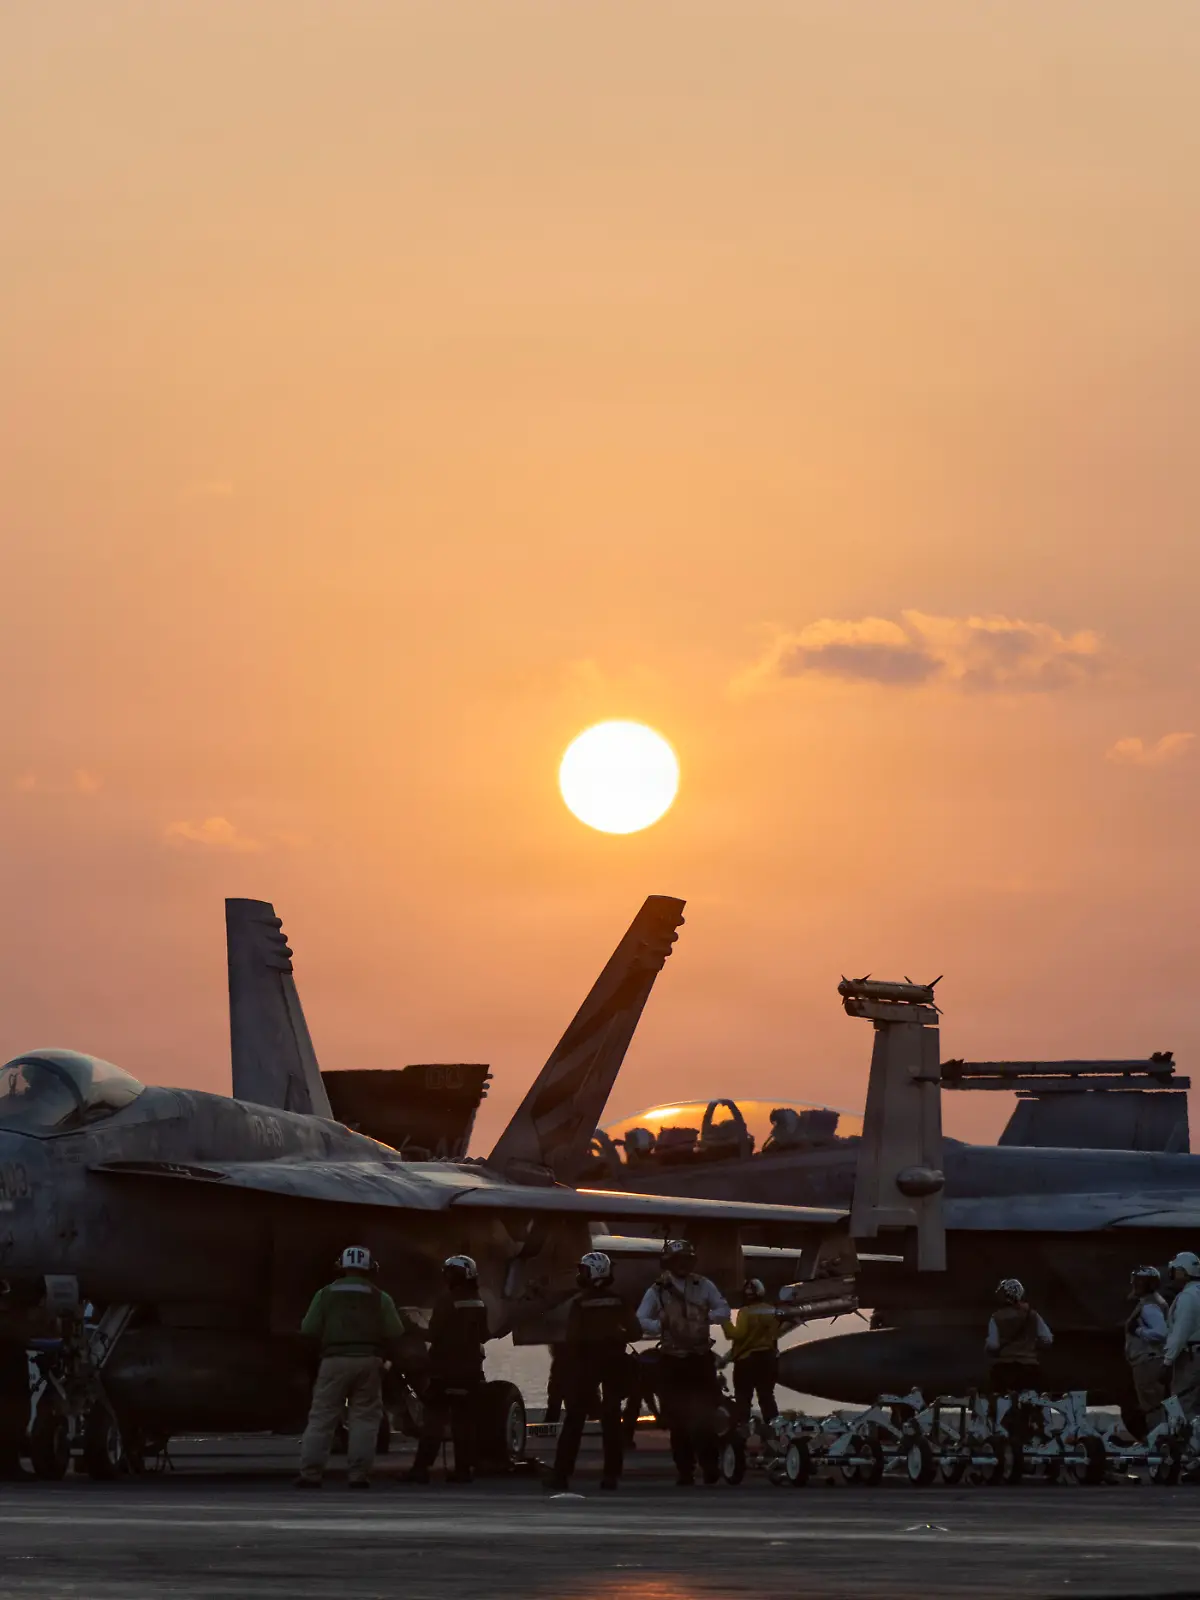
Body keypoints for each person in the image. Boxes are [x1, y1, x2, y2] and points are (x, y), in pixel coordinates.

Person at [296, 1245, 407, 1489]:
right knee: (365, 1419)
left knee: (322, 1416)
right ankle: (358, 1475)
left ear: (341, 1266)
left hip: (333, 1361)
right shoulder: (380, 1297)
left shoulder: (325, 1294)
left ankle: (311, 1473)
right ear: (370, 1268)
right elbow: (396, 1331)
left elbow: (308, 1329)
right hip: (369, 1362)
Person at [546, 1251, 642, 1493]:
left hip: (586, 1365)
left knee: (574, 1422)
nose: (581, 1275)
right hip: (614, 1364)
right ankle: (611, 1476)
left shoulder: (580, 1302)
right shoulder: (620, 1301)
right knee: (612, 1422)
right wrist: (615, 1335)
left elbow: (572, 1338)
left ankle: (561, 1476)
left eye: (584, 1271)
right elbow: (636, 1333)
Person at [637, 1238, 730, 1486]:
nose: (682, 1265)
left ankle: (709, 1467)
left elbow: (723, 1309)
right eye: (678, 1261)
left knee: (706, 1416)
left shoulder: (704, 1285)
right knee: (677, 1421)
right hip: (673, 1360)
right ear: (669, 1262)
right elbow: (642, 1318)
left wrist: (707, 1317)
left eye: (686, 1260)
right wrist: (661, 1326)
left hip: (699, 1358)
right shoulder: (657, 1290)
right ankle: (685, 1471)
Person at [403, 1255, 490, 1484]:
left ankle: (421, 1470)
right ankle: (463, 1470)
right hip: (470, 1371)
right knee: (464, 1423)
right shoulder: (478, 1301)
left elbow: (434, 1335)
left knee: (434, 1421)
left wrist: (410, 1328)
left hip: (445, 1371)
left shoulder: (446, 1301)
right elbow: (484, 1335)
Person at [721, 1277, 787, 1428]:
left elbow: (737, 1334)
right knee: (767, 1397)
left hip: (747, 1361)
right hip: (768, 1360)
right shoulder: (771, 1310)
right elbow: (775, 1333)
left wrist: (724, 1320)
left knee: (743, 1398)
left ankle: (742, 1431)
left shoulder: (746, 1312)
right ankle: (775, 1431)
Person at [984, 1277, 1053, 1396]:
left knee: (998, 1401)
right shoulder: (1033, 1315)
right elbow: (1047, 1339)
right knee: (1034, 1400)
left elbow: (993, 1345)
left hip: (1004, 1370)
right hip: (1029, 1368)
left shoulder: (996, 1317)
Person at [1124, 1265, 1168, 1436]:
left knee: (1152, 1407)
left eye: (1139, 1281)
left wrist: (1139, 1331)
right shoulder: (1152, 1302)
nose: (1135, 1285)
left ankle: (1159, 1444)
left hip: (1148, 1362)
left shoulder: (1150, 1306)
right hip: (1149, 1361)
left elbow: (1161, 1333)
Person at [1162, 1251, 1200, 1420]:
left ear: (1183, 1272)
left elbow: (1180, 1333)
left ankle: (1188, 1445)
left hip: (1191, 1357)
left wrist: (1168, 1360)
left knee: (1183, 1404)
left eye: (1175, 1270)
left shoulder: (1188, 1296)